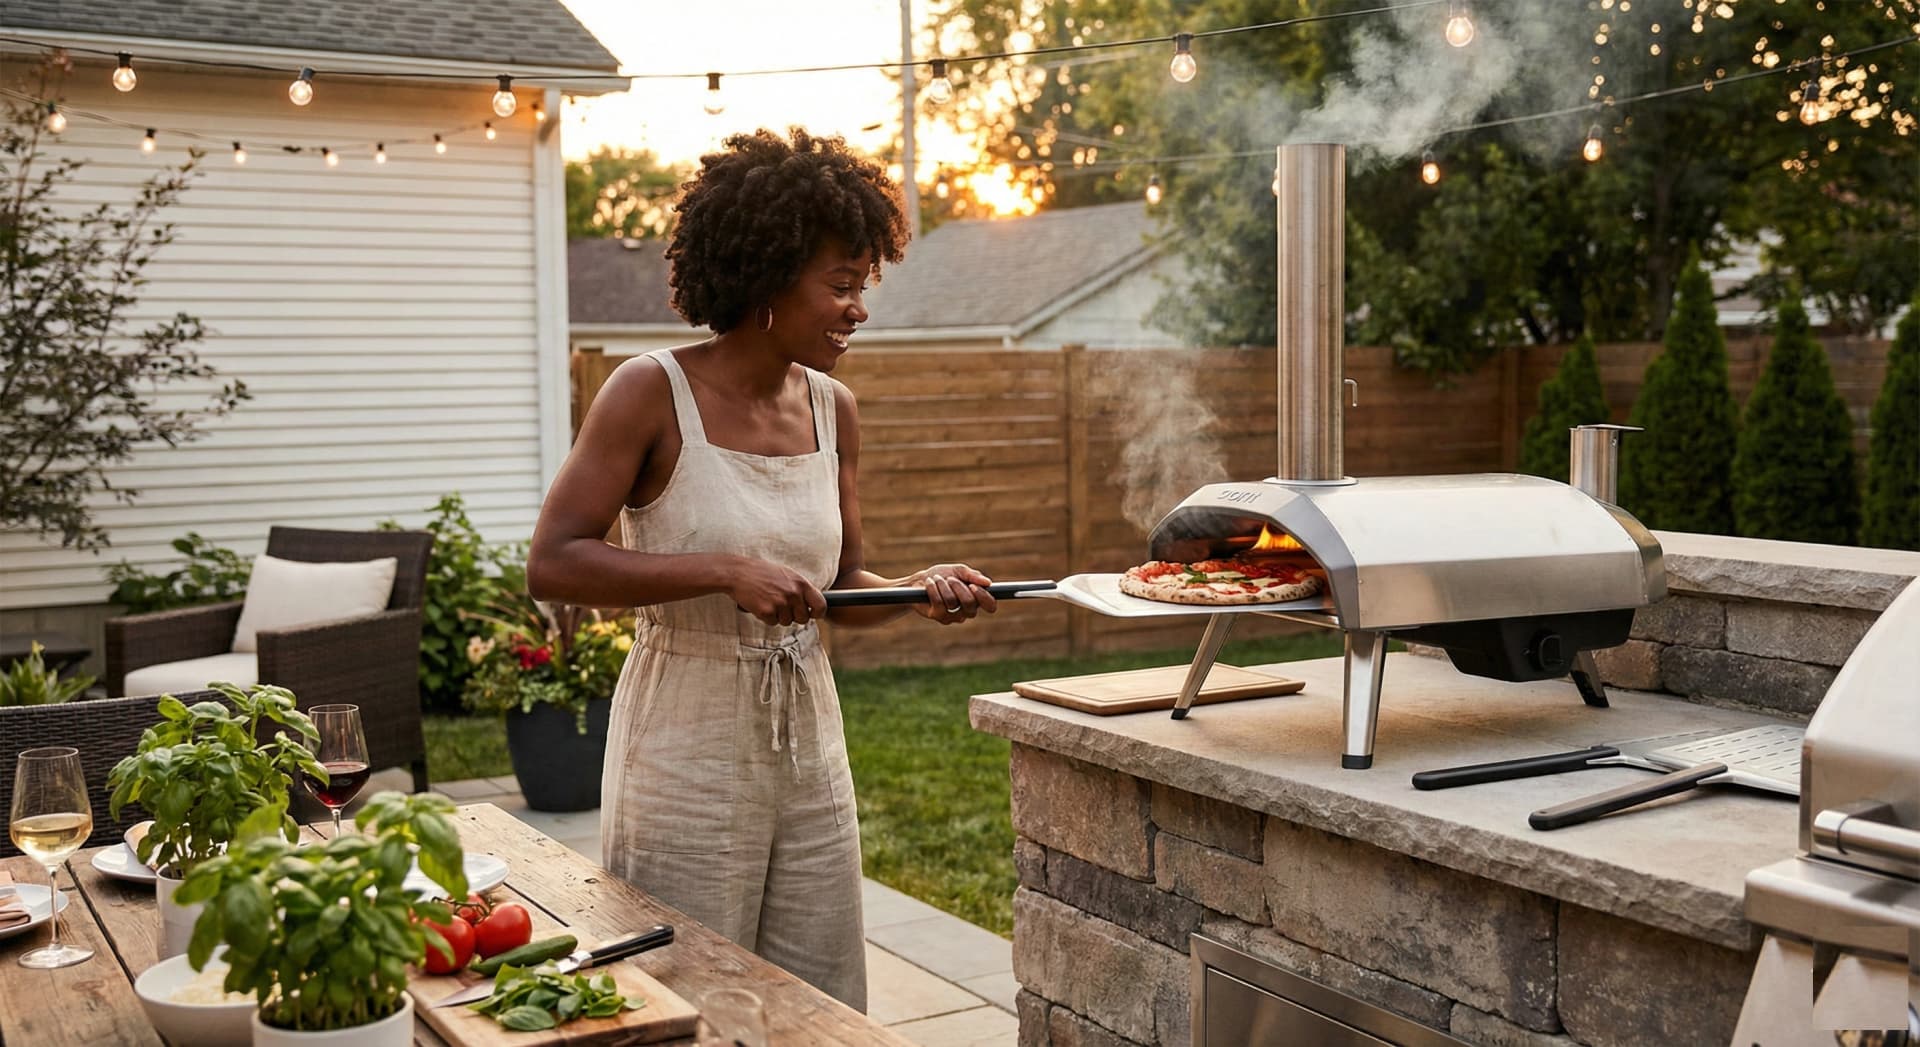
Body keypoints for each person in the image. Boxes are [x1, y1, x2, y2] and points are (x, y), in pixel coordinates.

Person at [525, 127, 998, 1011]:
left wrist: (917, 592)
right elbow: (552, 563)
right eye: (843, 284)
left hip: (809, 739)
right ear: (768, 278)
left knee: (815, 989)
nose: (860, 308)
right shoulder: (647, 390)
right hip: (685, 733)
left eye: (865, 284)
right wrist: (719, 570)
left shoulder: (834, 407)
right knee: (688, 984)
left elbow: (842, 589)